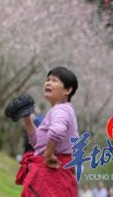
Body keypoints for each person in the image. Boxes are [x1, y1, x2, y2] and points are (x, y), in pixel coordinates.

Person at [15, 66, 79, 196]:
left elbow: (56, 132)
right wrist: (26, 117)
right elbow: (37, 143)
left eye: (54, 80)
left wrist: (48, 155)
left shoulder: (61, 110)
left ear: (68, 90)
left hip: (52, 175)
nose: (48, 82)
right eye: (48, 79)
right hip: (52, 175)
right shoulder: (60, 110)